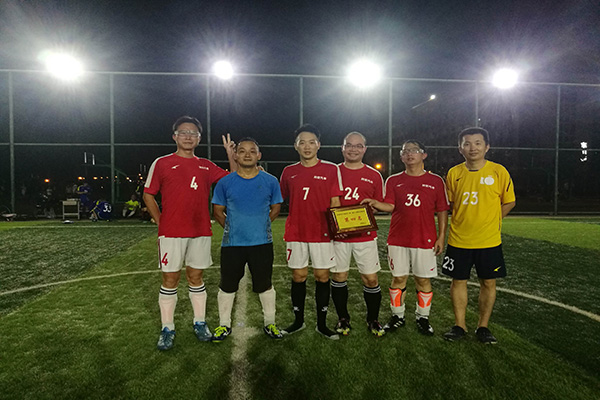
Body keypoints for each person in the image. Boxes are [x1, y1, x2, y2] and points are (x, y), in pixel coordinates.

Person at [143, 115, 236, 351]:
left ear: (199, 139)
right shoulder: (162, 163)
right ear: (174, 136)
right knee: (170, 279)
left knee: (196, 277)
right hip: (171, 233)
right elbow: (148, 194)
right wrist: (161, 222)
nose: (188, 136)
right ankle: (167, 328)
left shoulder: (205, 165)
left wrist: (231, 155)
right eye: (183, 132)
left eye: (193, 133)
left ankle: (199, 322)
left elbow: (233, 181)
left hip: (200, 230)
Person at [363, 140, 449, 336]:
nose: (410, 154)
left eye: (414, 150)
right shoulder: (393, 180)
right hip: (398, 239)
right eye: (405, 151)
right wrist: (375, 203)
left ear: (423, 155)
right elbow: (390, 206)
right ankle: (397, 316)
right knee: (398, 278)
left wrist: (441, 236)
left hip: (425, 239)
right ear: (401, 157)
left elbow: (442, 210)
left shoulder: (436, 181)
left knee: (423, 280)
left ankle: (423, 317)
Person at [441, 127, 516, 344]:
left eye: (477, 143)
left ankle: (483, 327)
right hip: (459, 239)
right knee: (458, 281)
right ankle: (459, 325)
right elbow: (450, 204)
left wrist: (493, 220)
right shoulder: (454, 173)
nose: (472, 148)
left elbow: (509, 201)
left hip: (489, 240)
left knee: (488, 283)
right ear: (460, 148)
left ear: (487, 147)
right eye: (467, 143)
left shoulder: (498, 171)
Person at [211, 138, 284, 341]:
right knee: (227, 285)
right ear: (235, 155)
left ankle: (270, 323)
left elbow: (276, 208)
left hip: (262, 243)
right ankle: (224, 325)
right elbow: (218, 211)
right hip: (232, 244)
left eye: (252, 151)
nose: (247, 154)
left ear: (259, 155)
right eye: (242, 151)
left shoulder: (270, 181)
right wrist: (232, 228)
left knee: (265, 284)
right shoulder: (225, 182)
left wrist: (261, 225)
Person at [280, 124, 343, 340]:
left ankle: (321, 324)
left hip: (322, 232)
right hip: (296, 231)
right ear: (295, 146)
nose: (307, 146)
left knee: (322, 276)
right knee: (298, 276)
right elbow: (280, 197)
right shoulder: (289, 172)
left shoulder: (331, 169)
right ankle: (298, 321)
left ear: (319, 145)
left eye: (311, 142)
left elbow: (335, 201)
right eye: (302, 142)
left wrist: (337, 228)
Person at [331, 132, 386, 337]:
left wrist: (371, 208)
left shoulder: (374, 175)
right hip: (339, 237)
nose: (353, 149)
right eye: (349, 145)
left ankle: (373, 319)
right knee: (339, 276)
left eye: (358, 145)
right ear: (342, 147)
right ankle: (343, 318)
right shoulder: (333, 171)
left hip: (365, 235)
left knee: (371, 279)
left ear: (365, 149)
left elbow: (379, 204)